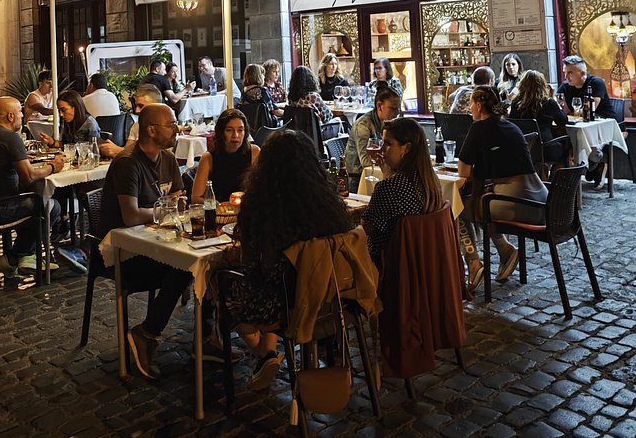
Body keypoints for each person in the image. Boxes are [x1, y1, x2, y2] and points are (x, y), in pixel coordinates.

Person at [224, 130, 355, 390]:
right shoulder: (326, 201)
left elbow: (256, 261)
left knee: (221, 286)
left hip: (286, 306)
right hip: (331, 298)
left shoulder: (261, 204)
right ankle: (267, 354)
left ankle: (265, 353)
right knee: (278, 278)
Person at [100, 103, 192, 379]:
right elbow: (130, 216)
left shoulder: (166, 158)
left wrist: (167, 207)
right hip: (124, 253)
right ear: (151, 129)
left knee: (206, 265)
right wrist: (166, 208)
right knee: (182, 267)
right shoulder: (128, 163)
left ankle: (210, 335)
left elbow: (182, 199)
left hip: (156, 241)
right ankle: (146, 333)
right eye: (172, 124)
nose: (177, 129)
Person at [0, 96, 67, 277]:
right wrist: (53, 167)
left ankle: (24, 256)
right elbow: (28, 176)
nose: (22, 115)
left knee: (33, 202)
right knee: (51, 206)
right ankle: (17, 256)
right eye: (20, 112)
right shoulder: (9, 137)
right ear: (10, 116)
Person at [456, 85, 546, 292]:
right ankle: (505, 251)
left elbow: (463, 171)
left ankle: (473, 262)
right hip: (541, 199)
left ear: (479, 105)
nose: (469, 108)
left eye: (470, 104)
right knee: (482, 204)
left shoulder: (479, 128)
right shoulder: (510, 126)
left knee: (458, 208)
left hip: (519, 203)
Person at [363, 118, 446, 268]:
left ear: (406, 148)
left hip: (388, 266)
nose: (381, 150)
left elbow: (366, 228)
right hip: (424, 265)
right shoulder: (430, 182)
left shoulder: (390, 188)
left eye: (388, 144)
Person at [190, 108, 260, 202]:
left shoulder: (254, 152)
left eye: (240, 130)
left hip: (248, 209)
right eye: (229, 130)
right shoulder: (208, 158)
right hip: (220, 212)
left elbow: (263, 187)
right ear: (221, 132)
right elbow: (196, 198)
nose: (235, 135)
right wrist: (218, 206)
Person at [345, 86, 402, 194]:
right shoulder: (363, 126)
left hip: (378, 174)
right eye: (393, 108)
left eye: (398, 109)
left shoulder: (389, 123)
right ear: (379, 106)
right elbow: (366, 162)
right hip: (358, 179)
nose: (397, 113)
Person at [509, 69, 570, 168]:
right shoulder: (548, 102)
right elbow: (562, 120)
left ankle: (543, 172)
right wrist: (553, 98)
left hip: (524, 147)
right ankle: (556, 178)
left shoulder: (516, 102)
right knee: (567, 145)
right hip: (545, 147)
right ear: (542, 85)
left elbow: (513, 122)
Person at [99, 84, 162, 159]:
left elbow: (156, 157)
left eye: (141, 106)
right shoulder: (137, 125)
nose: (137, 110)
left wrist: (118, 151)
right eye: (136, 106)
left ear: (156, 106)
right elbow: (128, 150)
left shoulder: (163, 128)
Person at [35, 89, 100, 148]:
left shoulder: (90, 124)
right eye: (59, 110)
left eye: (64, 110)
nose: (60, 114)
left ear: (75, 108)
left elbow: (93, 151)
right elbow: (66, 146)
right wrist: (52, 142)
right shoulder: (67, 122)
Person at [557, 55, 616, 119]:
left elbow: (588, 111)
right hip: (579, 121)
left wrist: (570, 113)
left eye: (570, 73)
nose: (566, 77)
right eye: (564, 73)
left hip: (604, 121)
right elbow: (557, 108)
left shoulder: (596, 82)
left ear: (583, 73)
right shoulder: (565, 86)